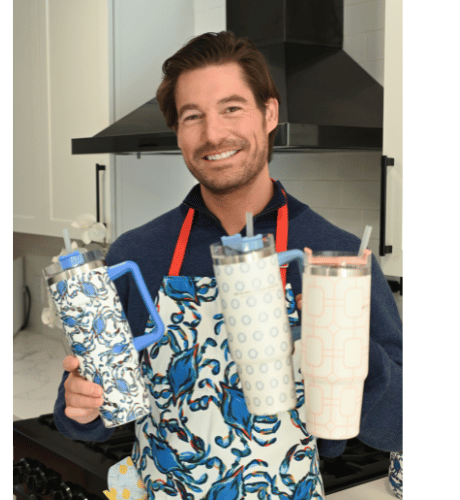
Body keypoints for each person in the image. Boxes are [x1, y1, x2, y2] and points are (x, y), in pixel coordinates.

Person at [53, 31, 402, 499]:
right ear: (177, 132)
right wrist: (78, 405)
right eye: (192, 116)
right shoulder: (136, 255)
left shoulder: (334, 259)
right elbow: (86, 410)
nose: (213, 134)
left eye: (232, 108)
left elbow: (402, 424)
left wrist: (351, 353)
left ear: (270, 114)